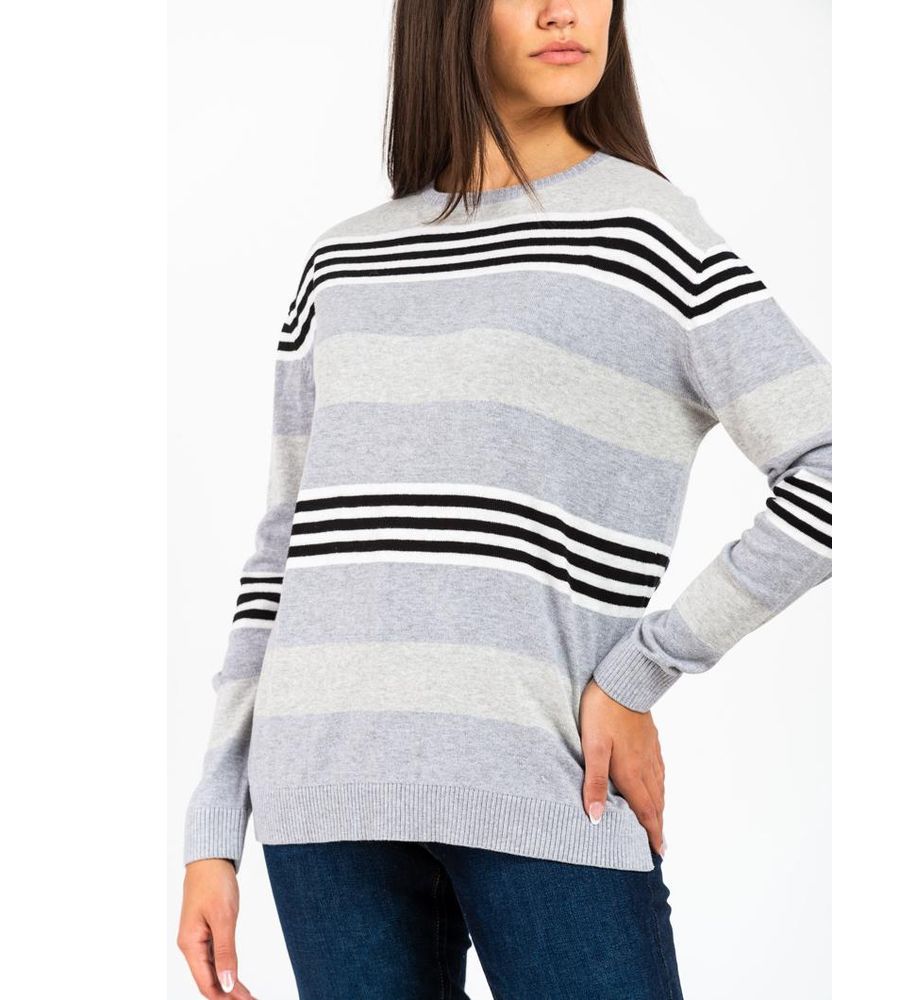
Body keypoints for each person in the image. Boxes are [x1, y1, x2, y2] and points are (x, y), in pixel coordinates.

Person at [176, 1, 832, 997]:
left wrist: (642, 672)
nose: (565, 10)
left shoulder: (647, 234)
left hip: (544, 775)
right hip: (321, 795)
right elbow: (282, 554)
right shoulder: (343, 261)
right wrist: (213, 828)